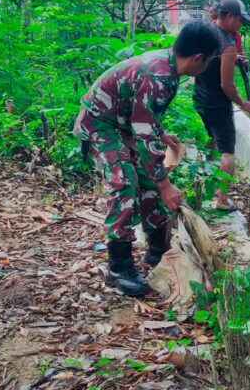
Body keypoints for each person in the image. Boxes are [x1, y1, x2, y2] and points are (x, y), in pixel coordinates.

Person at [73, 21, 222, 297]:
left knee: (149, 180)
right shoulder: (160, 75)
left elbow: (143, 113)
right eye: (210, 60)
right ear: (198, 58)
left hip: (120, 123)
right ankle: (119, 267)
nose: (208, 66)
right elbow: (143, 134)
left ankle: (157, 251)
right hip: (100, 123)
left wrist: (161, 135)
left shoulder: (169, 65)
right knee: (125, 181)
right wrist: (166, 185)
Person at [193, 0, 250, 211]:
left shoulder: (205, 32)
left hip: (200, 98)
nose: (240, 25)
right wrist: (243, 104)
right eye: (239, 20)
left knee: (210, 142)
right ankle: (221, 199)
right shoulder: (227, 44)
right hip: (218, 105)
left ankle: (207, 186)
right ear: (229, 16)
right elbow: (227, 85)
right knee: (228, 152)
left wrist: (235, 59)